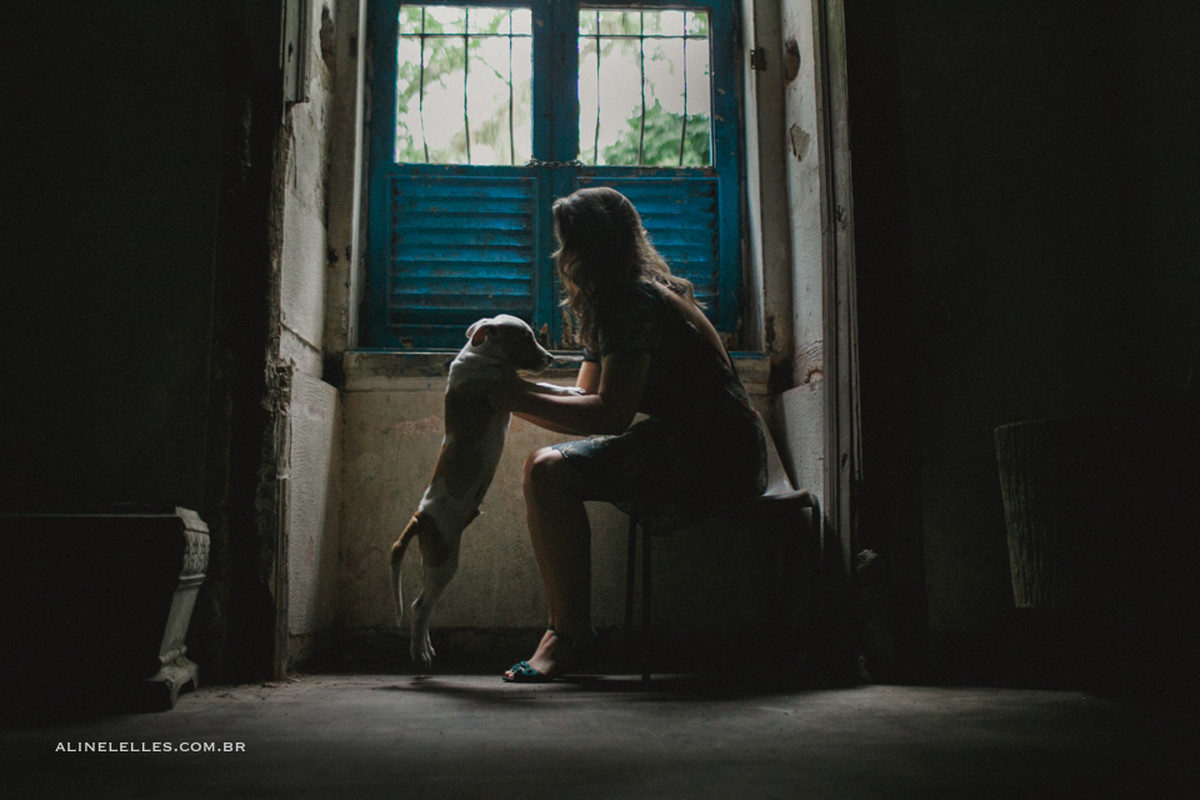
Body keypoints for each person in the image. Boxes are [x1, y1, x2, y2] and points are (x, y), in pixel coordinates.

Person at [488, 186, 766, 682]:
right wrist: (513, 386)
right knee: (545, 465)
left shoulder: (632, 301)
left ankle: (570, 638)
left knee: (549, 470)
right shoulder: (616, 300)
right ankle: (568, 634)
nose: (562, 255)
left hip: (719, 451)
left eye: (568, 242)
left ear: (590, 246)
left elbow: (610, 415)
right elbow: (585, 395)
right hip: (693, 438)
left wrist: (510, 397)